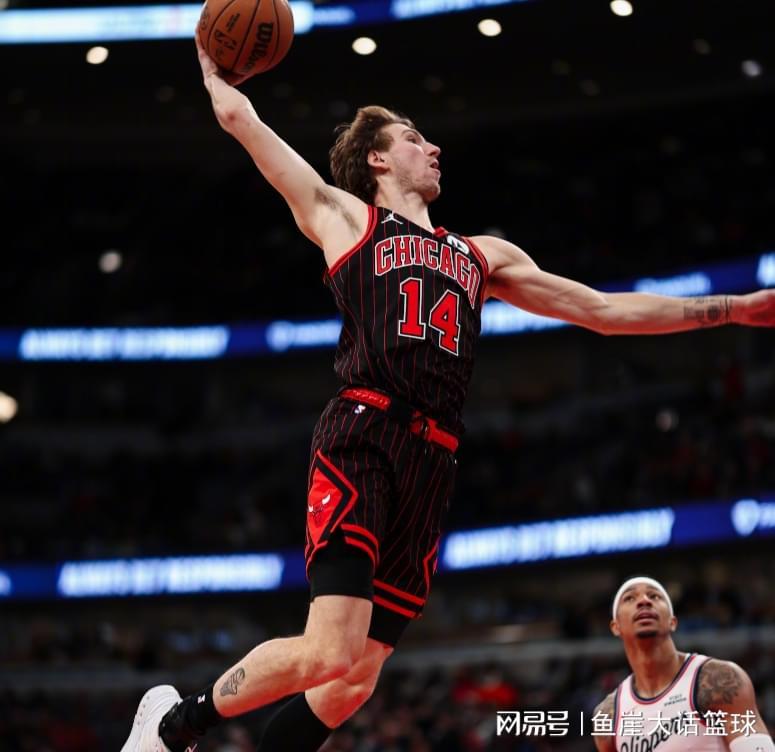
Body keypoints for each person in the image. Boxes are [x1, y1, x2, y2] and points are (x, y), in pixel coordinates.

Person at [120, 31, 775, 752]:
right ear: (377, 159)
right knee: (330, 649)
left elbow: (601, 309)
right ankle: (172, 727)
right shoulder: (346, 219)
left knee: (355, 679)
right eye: (413, 137)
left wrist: (733, 308)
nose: (433, 147)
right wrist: (213, 69)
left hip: (432, 460)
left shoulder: (480, 257)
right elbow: (241, 121)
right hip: (364, 433)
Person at [593, 577, 774, 752]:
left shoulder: (720, 680)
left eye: (654, 596)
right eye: (630, 598)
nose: (644, 601)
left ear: (672, 622)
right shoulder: (608, 714)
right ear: (615, 626)